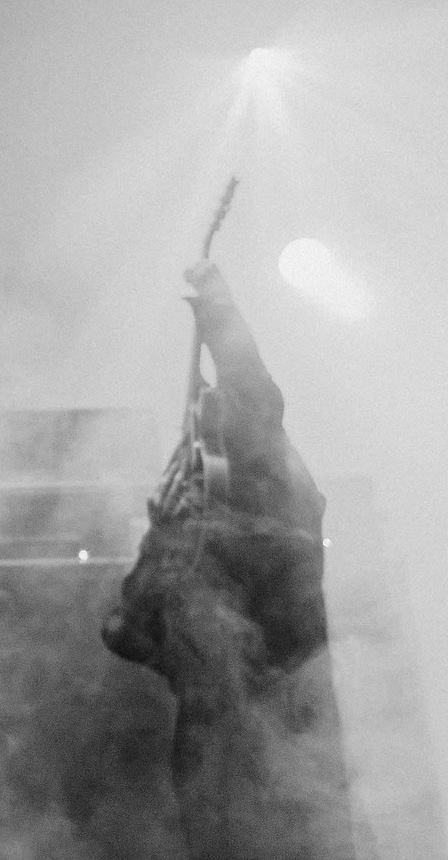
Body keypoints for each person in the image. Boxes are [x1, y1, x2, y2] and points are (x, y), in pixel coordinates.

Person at [102, 260, 355, 860]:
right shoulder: (186, 525)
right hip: (211, 730)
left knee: (299, 832)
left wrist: (218, 308)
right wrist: (156, 557)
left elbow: (254, 389)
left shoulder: (276, 499)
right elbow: (126, 631)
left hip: (279, 711)